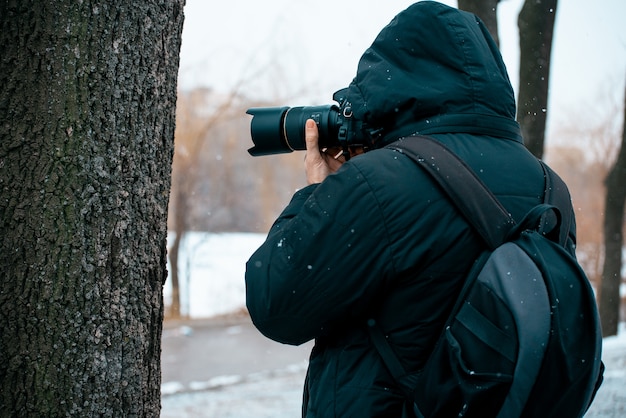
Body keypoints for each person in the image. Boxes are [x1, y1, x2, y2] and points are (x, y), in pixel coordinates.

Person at [245, 1, 576, 416]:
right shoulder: (550, 188)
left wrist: (317, 194)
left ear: (390, 84)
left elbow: (275, 302)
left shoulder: (380, 182)